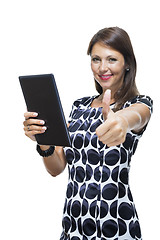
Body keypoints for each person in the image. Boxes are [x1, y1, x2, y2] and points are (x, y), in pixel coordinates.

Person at [23, 27, 153, 240]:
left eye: (112, 59)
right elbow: (56, 168)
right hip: (73, 228)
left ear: (127, 63)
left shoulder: (138, 103)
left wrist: (120, 120)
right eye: (96, 59)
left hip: (116, 227)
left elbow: (137, 116)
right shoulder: (79, 106)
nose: (102, 67)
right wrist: (43, 141)